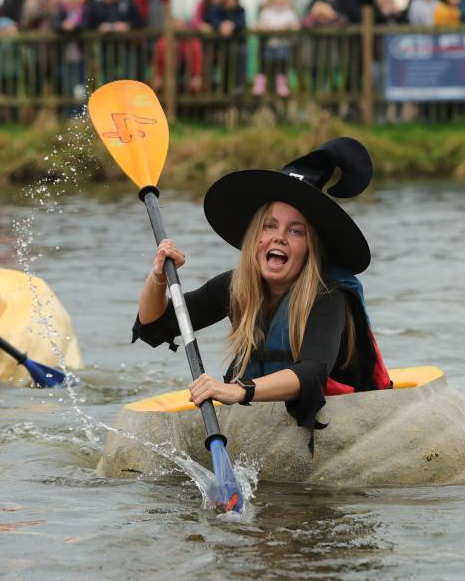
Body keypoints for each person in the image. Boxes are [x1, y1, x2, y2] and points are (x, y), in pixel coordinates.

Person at [132, 138, 392, 451]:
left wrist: (240, 391)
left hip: (336, 422)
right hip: (262, 416)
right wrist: (158, 275)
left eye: (296, 231)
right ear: (256, 236)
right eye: (269, 226)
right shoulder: (237, 286)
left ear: (311, 246)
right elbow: (155, 325)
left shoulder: (329, 296)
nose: (279, 238)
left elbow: (311, 374)